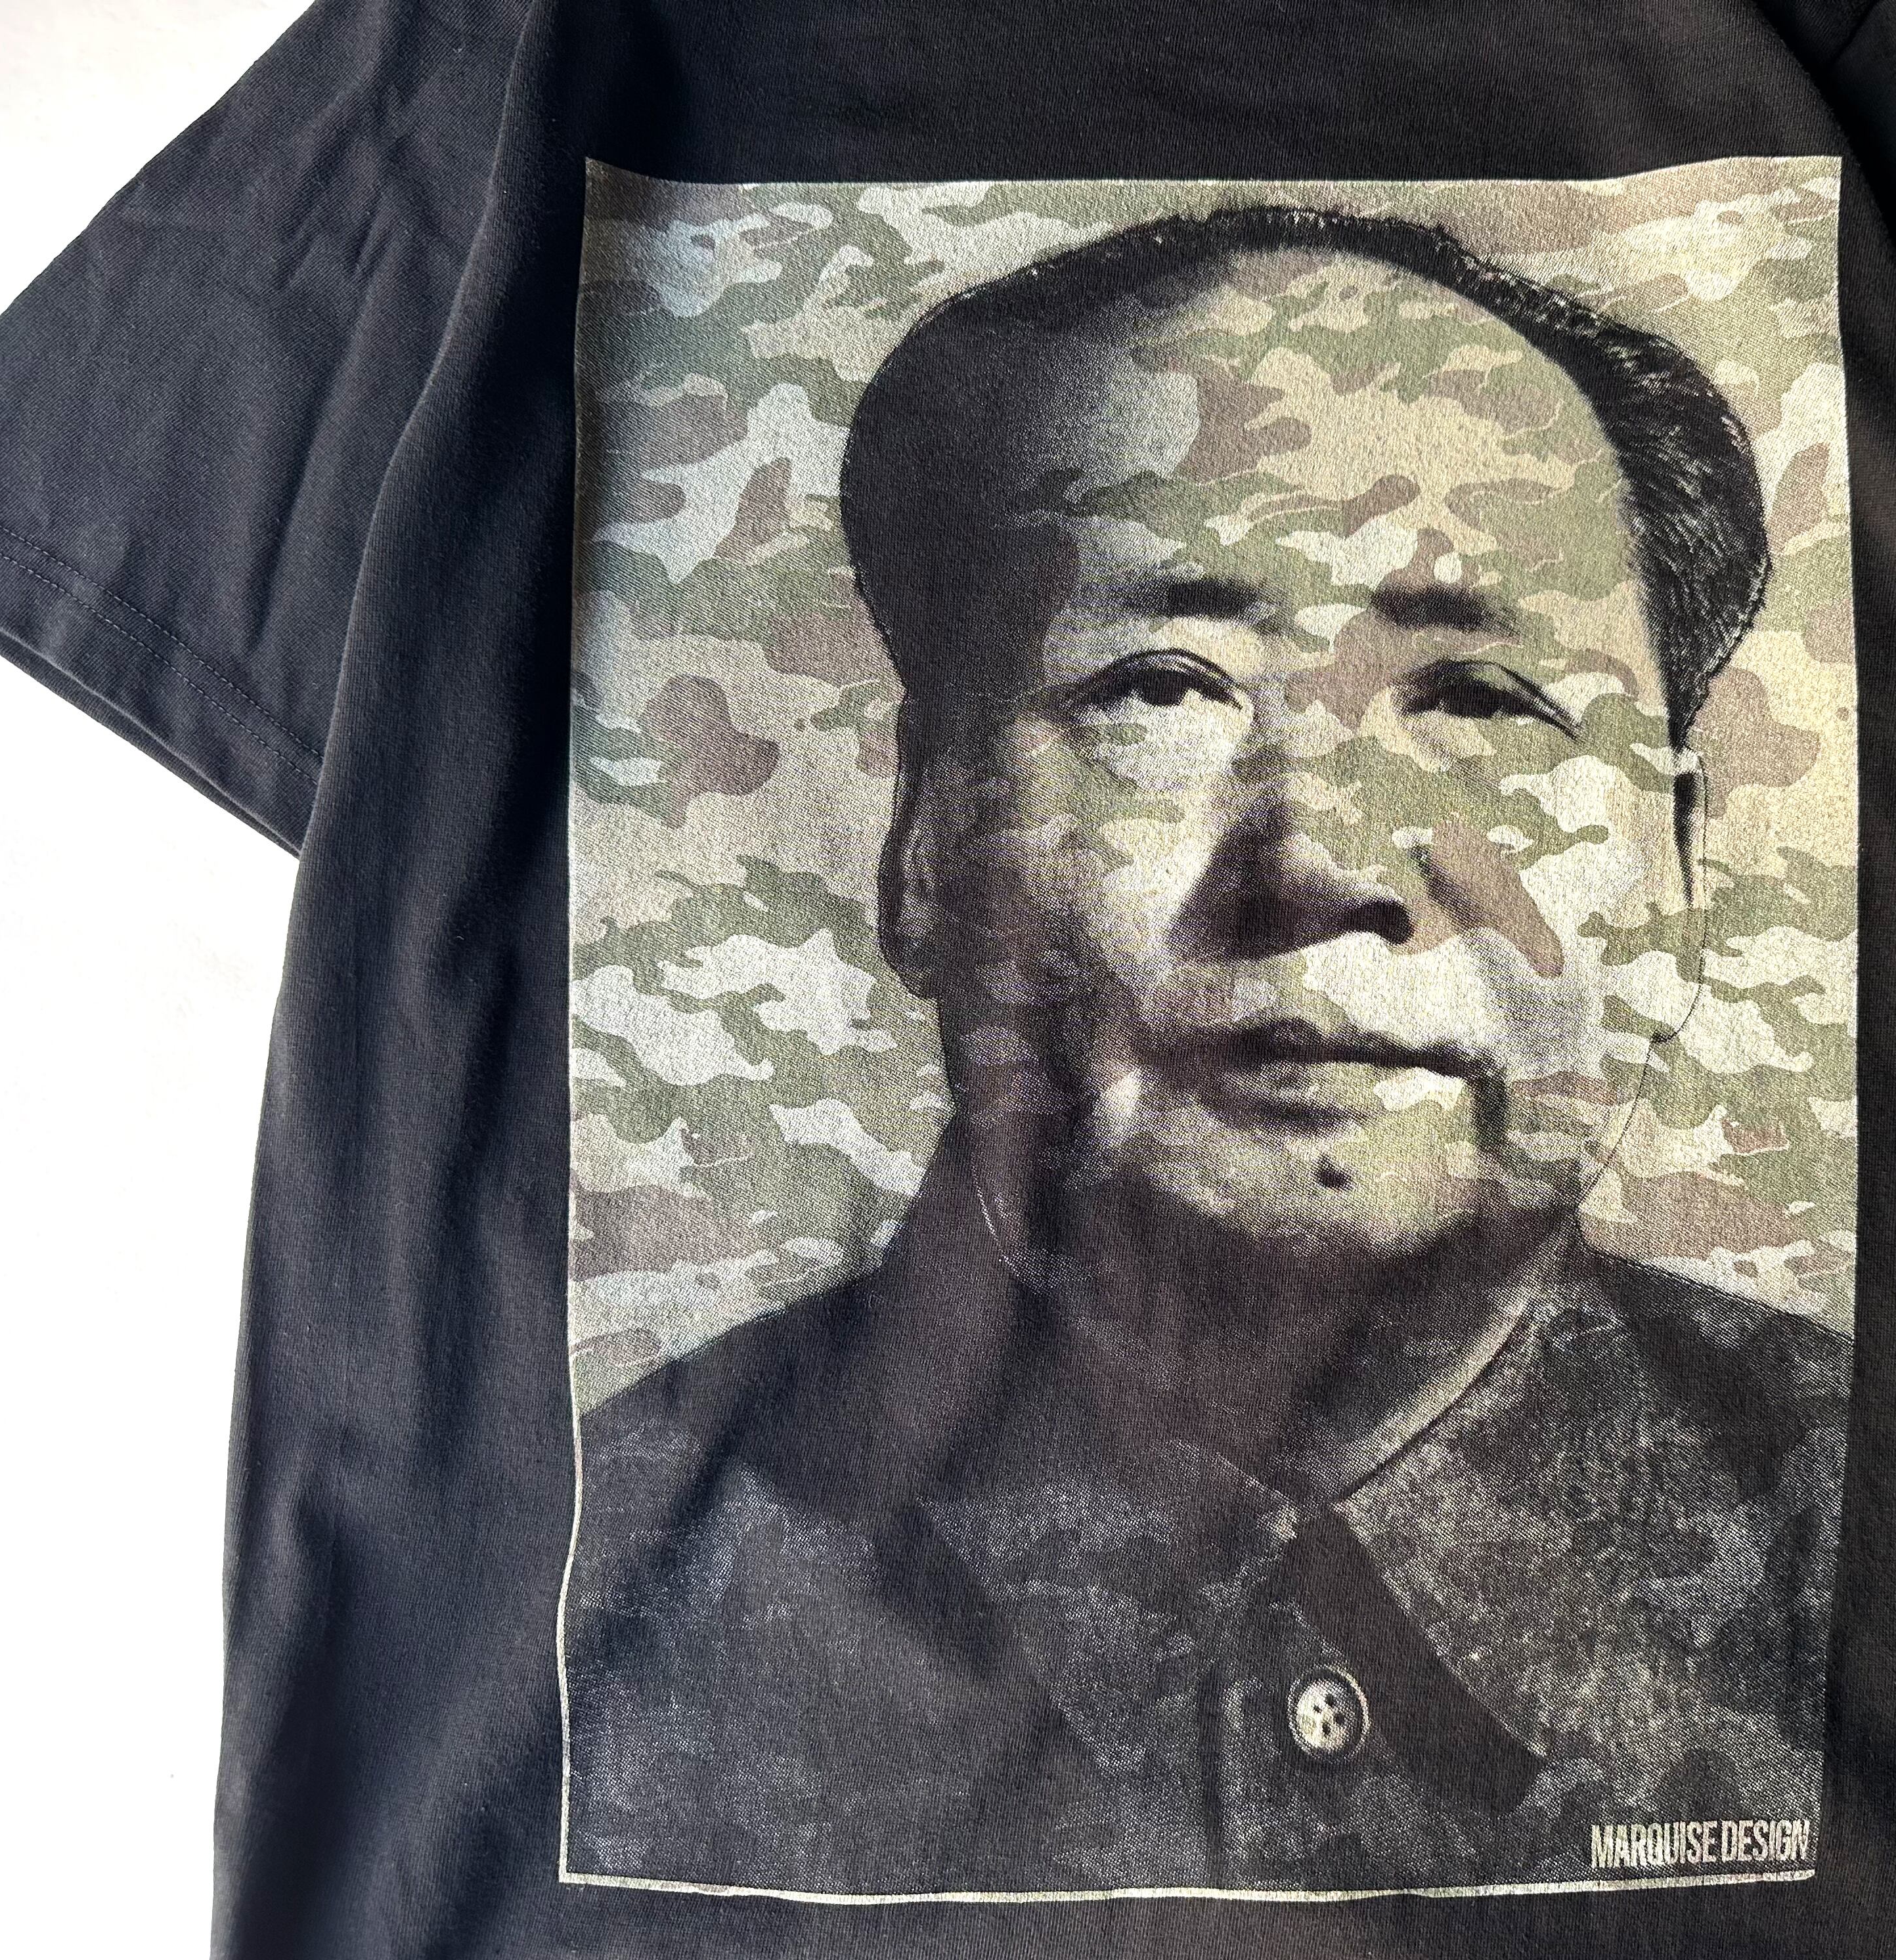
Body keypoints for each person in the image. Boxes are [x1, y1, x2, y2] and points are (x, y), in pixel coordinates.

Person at [560, 205, 1849, 1898]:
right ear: (923, 837)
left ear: (1679, 871)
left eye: (1482, 702)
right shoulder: (603, 1575)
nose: (1325, 858)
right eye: (1162, 690)